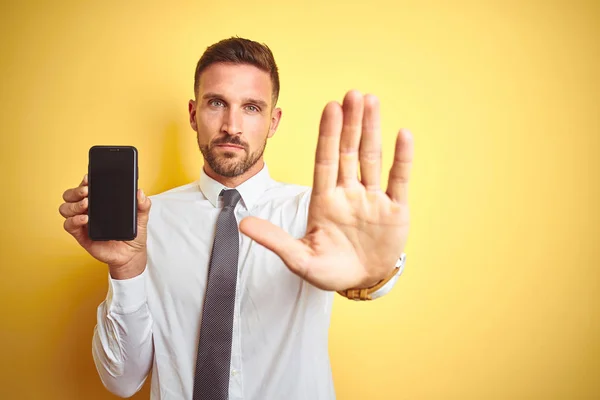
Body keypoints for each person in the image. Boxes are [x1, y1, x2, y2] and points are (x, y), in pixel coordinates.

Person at [59, 37, 414, 400]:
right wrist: (126, 270)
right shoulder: (146, 222)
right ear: (194, 114)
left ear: (273, 121)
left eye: (251, 108)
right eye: (217, 103)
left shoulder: (317, 216)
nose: (232, 125)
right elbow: (122, 380)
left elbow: (366, 270)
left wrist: (374, 275)